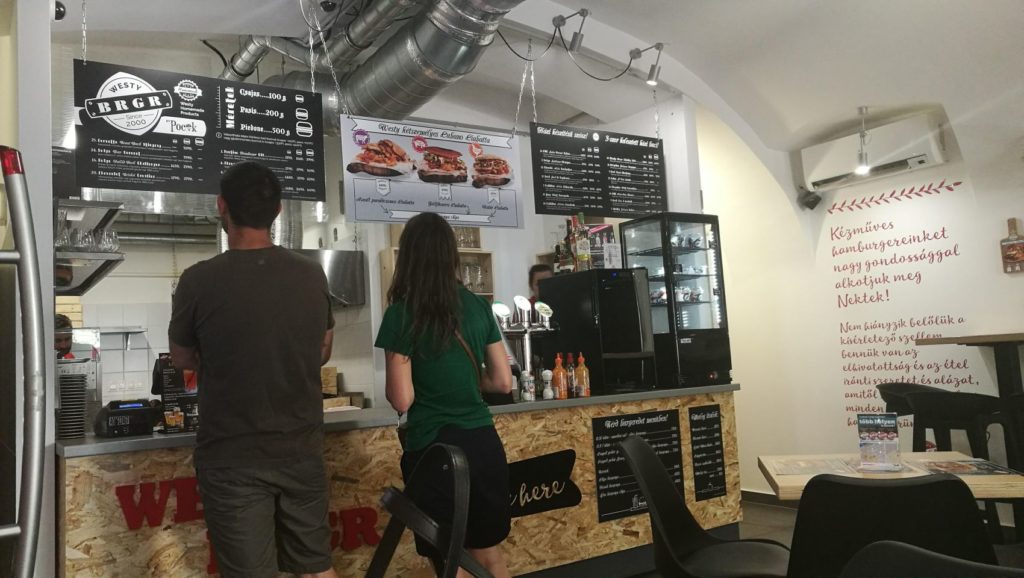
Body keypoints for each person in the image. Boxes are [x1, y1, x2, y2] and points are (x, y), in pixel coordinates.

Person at [168, 161, 337, 578]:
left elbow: (182, 358)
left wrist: (228, 357)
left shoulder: (197, 281)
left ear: (221, 206)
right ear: (277, 210)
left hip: (233, 458)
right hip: (301, 449)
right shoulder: (311, 274)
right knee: (316, 569)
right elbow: (322, 350)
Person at [374, 212, 513, 578]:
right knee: (489, 557)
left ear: (408, 258)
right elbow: (503, 382)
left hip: (435, 454)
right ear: (452, 255)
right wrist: (466, 382)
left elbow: (401, 399)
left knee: (452, 564)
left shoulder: (401, 314)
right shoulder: (478, 305)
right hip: (483, 447)